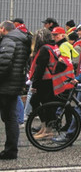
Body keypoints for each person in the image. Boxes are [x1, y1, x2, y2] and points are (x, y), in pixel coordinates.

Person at [0, 21, 28, 160]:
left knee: (9, 118)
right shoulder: (20, 40)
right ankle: (11, 150)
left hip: (5, 85)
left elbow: (4, 62)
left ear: (3, 29)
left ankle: (10, 150)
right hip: (14, 84)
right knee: (10, 118)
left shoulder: (9, 40)